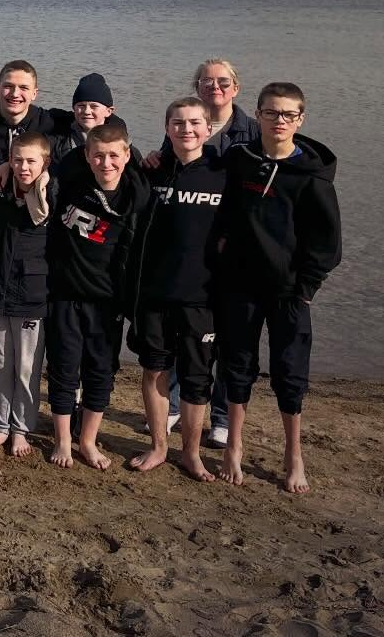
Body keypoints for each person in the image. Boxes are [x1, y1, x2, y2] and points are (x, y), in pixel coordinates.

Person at [210, 82, 341, 494]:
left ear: (300, 119)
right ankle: (234, 444)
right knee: (237, 365)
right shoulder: (240, 160)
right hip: (240, 286)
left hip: (289, 292)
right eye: (271, 113)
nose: (279, 121)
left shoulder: (312, 176)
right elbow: (216, 202)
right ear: (258, 115)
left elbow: (327, 243)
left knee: (289, 372)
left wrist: (306, 287)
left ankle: (293, 454)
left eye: (288, 115)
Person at [145, 58, 260, 445]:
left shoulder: (240, 151)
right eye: (207, 81)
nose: (215, 87)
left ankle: (218, 422)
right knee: (162, 363)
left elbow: (253, 209)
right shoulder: (159, 165)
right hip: (162, 287)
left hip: (212, 284)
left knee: (212, 360)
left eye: (223, 81)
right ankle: (168, 422)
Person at [126, 96, 227, 481]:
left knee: (198, 377)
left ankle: (191, 454)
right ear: (167, 128)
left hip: (203, 297)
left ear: (208, 128)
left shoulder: (222, 172)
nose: (186, 129)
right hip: (153, 295)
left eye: (194, 123)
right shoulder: (152, 171)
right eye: (178, 123)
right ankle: (158, 447)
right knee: (154, 370)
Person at [45, 120, 147, 470]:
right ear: (87, 156)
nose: (106, 163)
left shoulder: (138, 196)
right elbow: (47, 165)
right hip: (65, 295)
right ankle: (62, 439)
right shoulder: (71, 183)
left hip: (107, 302)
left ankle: (87, 440)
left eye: (114, 156)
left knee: (101, 372)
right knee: (63, 367)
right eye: (99, 155)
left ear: (127, 155)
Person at [0, 131, 54, 456]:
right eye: (17, 159)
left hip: (32, 297)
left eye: (31, 160)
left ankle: (21, 429)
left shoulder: (51, 194)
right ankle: (2, 426)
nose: (23, 166)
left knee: (27, 368)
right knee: (2, 364)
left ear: (44, 163)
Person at [0, 60, 71, 157]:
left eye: (23, 88)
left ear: (34, 94)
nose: (15, 94)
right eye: (8, 86)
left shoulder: (52, 122)